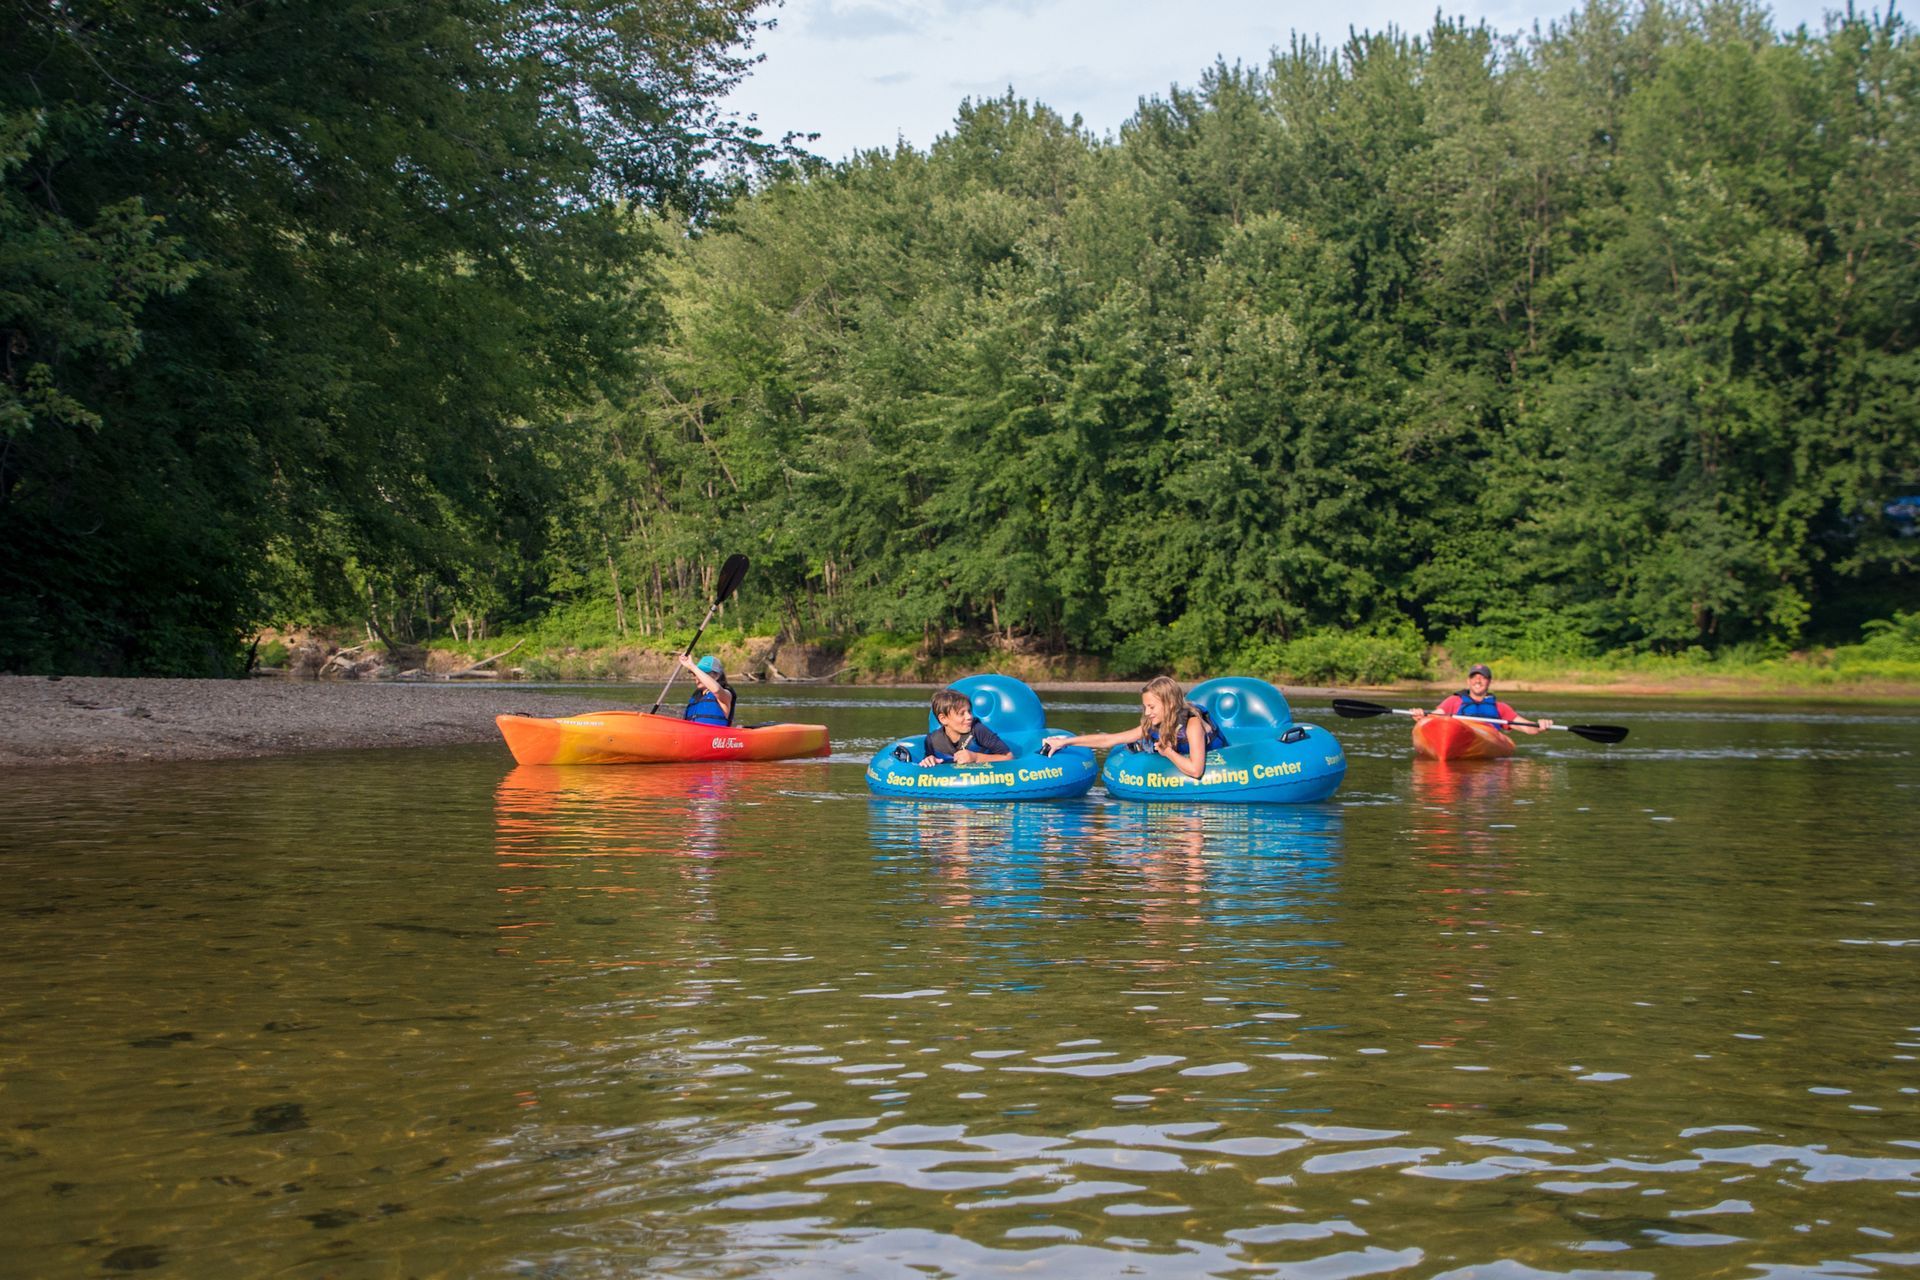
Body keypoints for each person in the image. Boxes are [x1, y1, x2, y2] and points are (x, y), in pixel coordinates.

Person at [1042, 675, 1224, 779]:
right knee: (1146, 742)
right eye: (1145, 707)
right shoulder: (1153, 723)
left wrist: (1168, 753)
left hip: (1218, 764)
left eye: (1151, 707)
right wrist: (1066, 742)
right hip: (1170, 747)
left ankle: (1144, 746)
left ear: (1169, 704)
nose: (1147, 713)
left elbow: (1196, 771)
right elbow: (1109, 739)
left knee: (1155, 747)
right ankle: (1141, 746)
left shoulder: (1192, 724)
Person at [1415, 663, 1552, 734]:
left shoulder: (1500, 708)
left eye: (1483, 677)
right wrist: (1422, 716)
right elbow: (1435, 716)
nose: (1478, 681)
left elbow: (1527, 728)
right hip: (1459, 733)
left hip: (1488, 738)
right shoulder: (1454, 701)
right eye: (1474, 677)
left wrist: (1540, 727)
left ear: (1489, 682)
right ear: (1468, 681)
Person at [918, 688, 1015, 766]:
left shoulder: (978, 730)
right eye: (961, 714)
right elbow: (928, 761)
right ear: (943, 719)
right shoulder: (932, 741)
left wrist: (976, 758)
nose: (969, 717)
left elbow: (1009, 757)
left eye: (969, 711)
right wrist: (929, 760)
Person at [678, 654, 735, 726]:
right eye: (695, 674)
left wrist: (692, 667)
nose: (697, 677)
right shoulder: (696, 696)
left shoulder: (725, 694)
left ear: (717, 675)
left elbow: (716, 690)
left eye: (704, 673)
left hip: (716, 736)